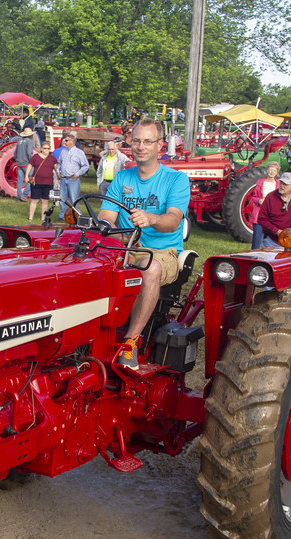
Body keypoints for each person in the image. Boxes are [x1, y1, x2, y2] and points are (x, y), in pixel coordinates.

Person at [97, 119, 191, 370]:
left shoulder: (176, 179)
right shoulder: (122, 177)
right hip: (125, 247)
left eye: (148, 141)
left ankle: (130, 342)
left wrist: (150, 219)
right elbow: (107, 216)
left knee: (150, 269)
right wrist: (118, 235)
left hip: (162, 251)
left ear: (160, 145)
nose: (141, 146)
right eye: (136, 140)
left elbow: (173, 221)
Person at [257, 172, 291, 247]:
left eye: (285, 184)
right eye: (281, 183)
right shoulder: (270, 197)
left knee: (290, 259)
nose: (282, 186)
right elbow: (261, 219)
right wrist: (277, 231)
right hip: (271, 241)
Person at [56, 133, 89, 219]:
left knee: (74, 200)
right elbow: (59, 163)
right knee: (63, 199)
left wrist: (77, 174)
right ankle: (62, 217)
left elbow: (86, 165)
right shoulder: (63, 151)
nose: (65, 142)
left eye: (66, 140)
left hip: (73, 179)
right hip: (63, 179)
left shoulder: (79, 153)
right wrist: (58, 170)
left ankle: (75, 216)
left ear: (71, 141)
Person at [249, 160, 282, 249]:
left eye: (274, 171)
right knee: (257, 238)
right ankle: (254, 254)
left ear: (277, 172)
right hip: (260, 213)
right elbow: (254, 197)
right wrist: (259, 201)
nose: (272, 172)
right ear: (267, 170)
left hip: (272, 214)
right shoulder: (260, 182)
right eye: (270, 170)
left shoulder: (278, 184)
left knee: (271, 238)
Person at [25, 141, 57, 221]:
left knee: (45, 201)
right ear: (41, 149)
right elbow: (29, 166)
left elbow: (56, 168)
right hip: (36, 182)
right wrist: (26, 176)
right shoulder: (35, 157)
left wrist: (59, 177)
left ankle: (43, 218)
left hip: (48, 182)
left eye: (48, 148)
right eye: (45, 148)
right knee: (34, 200)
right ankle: (30, 217)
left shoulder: (52, 158)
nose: (47, 150)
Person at [13, 127, 35, 201]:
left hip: (19, 163)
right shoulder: (30, 142)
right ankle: (24, 194)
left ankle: (18, 197)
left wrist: (18, 160)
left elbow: (15, 153)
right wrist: (31, 161)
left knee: (20, 180)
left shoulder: (19, 141)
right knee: (31, 178)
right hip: (26, 163)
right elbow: (29, 152)